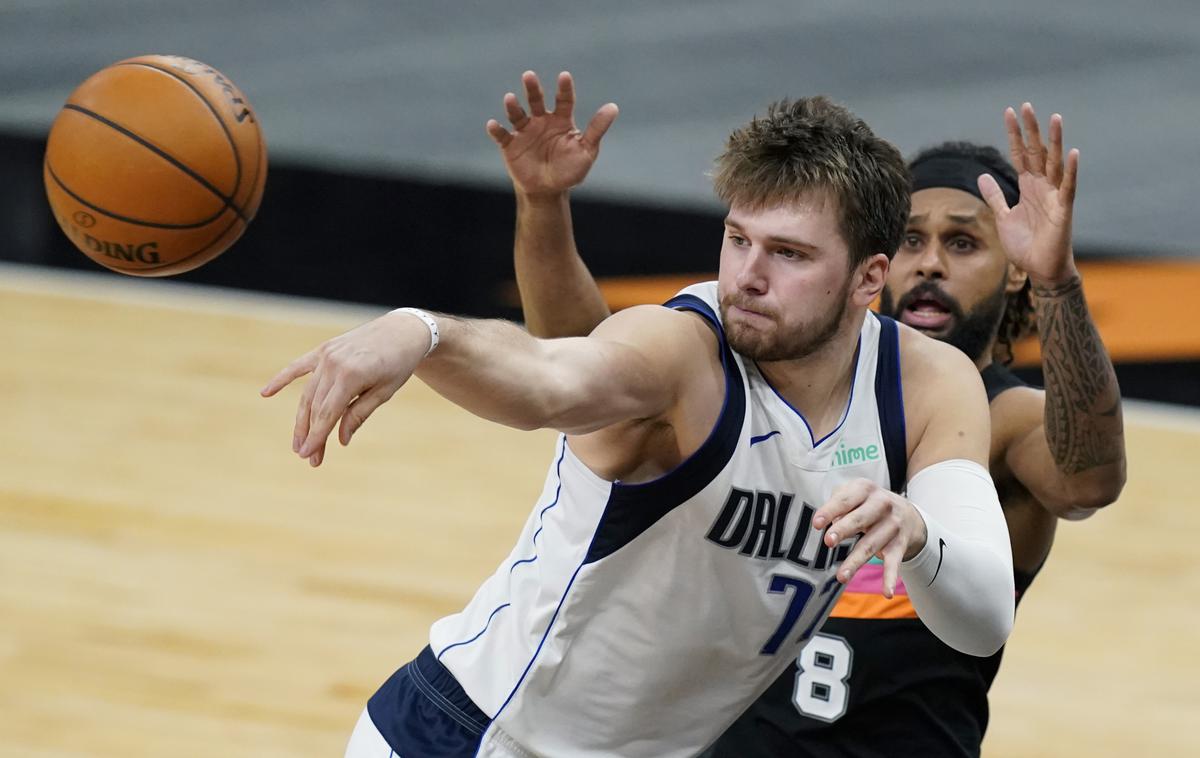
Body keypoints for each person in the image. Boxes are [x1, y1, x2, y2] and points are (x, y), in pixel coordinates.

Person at [263, 91, 1016, 758]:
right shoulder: (683, 349)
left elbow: (981, 619)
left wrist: (920, 537)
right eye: (738, 238)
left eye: (788, 254)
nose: (747, 275)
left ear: (869, 279)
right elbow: (549, 379)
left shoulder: (927, 383)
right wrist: (424, 332)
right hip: (481, 736)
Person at [490, 71, 1126, 757]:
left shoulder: (1002, 420)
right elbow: (589, 376)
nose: (930, 265)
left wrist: (1059, 281)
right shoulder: (766, 377)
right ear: (871, 264)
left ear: (1016, 269)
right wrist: (543, 203)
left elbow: (1086, 481)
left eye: (963, 244)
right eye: (911, 240)